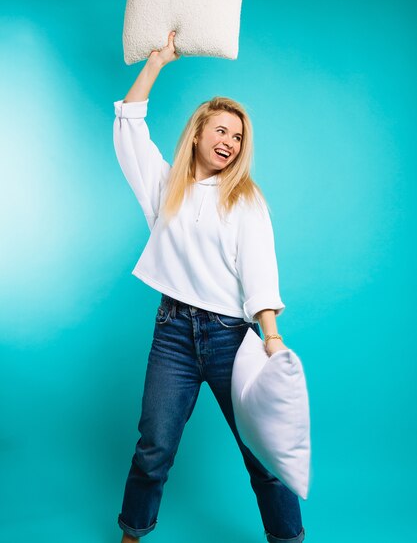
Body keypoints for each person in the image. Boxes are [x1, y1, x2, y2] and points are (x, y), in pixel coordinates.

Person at [112, 31, 306, 543]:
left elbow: (260, 271)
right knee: (153, 448)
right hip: (172, 333)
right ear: (198, 132)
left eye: (238, 137)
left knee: (261, 453)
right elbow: (130, 125)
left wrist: (271, 336)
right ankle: (132, 535)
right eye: (221, 130)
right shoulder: (165, 187)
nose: (229, 142)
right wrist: (157, 62)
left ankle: (288, 539)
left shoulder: (246, 199)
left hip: (229, 338)